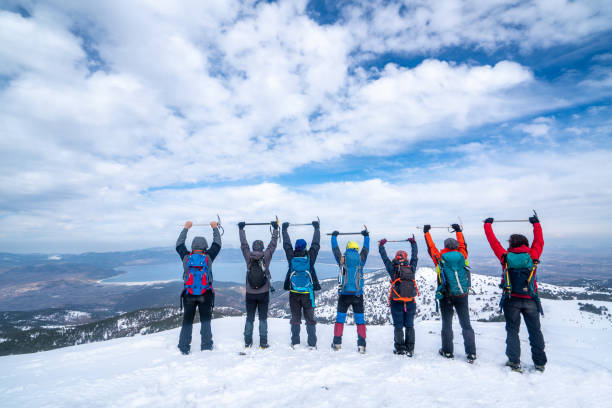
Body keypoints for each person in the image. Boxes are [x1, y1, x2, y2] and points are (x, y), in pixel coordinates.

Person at [484, 214, 547, 372]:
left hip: (511, 299)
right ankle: (539, 363)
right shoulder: (532, 256)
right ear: (525, 243)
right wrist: (536, 224)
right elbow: (539, 241)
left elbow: (493, 242)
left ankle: (514, 362)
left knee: (512, 331)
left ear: (511, 244)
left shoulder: (505, 257)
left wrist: (487, 225)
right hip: (531, 299)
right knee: (535, 331)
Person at [423, 223, 476, 363]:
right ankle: (471, 353)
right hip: (462, 294)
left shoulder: (440, 257)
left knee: (447, 324)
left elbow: (431, 247)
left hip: (446, 295)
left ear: (446, 246)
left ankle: (447, 351)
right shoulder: (462, 255)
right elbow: (464, 245)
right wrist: (458, 231)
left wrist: (426, 232)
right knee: (466, 324)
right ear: (456, 246)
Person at [176, 220, 222, 354]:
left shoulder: (186, 256)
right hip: (205, 294)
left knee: (187, 320)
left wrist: (186, 228)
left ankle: (184, 347)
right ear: (205, 246)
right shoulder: (208, 257)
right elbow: (217, 244)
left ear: (193, 246)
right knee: (205, 321)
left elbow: (179, 244)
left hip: (189, 294)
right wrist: (214, 228)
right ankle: (206, 347)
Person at [238, 220, 279, 349]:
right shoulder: (266, 256)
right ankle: (263, 342)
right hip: (263, 293)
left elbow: (243, 244)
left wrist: (241, 229)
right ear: (261, 247)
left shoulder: (248, 256)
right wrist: (275, 229)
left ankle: (247, 342)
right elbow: (273, 245)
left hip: (250, 293)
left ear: (253, 247)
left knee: (250, 318)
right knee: (262, 318)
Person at [282, 220, 321, 349]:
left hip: (294, 293)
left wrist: (284, 230)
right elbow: (316, 244)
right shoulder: (310, 257)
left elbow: (286, 245)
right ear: (305, 248)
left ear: (296, 247)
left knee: (295, 318)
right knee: (310, 319)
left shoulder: (291, 256)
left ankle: (295, 342)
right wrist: (316, 229)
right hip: (308, 294)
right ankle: (312, 344)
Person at [331, 228, 370, 353]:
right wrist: (366, 236)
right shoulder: (361, 259)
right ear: (356, 249)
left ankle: (337, 343)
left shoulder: (342, 259)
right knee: (360, 320)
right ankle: (362, 346)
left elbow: (335, 249)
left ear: (347, 248)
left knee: (340, 319)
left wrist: (334, 236)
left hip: (344, 295)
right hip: (358, 295)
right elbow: (366, 249)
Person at [379, 236, 418, 356]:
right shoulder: (411, 268)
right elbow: (415, 257)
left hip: (396, 301)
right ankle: (410, 348)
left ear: (396, 257)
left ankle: (400, 348)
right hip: (410, 302)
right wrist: (413, 244)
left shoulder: (393, 270)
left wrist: (381, 246)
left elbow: (385, 259)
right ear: (405, 258)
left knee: (398, 325)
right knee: (410, 325)